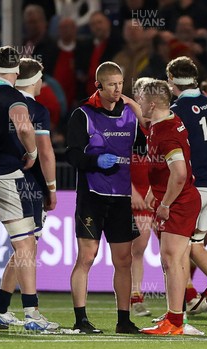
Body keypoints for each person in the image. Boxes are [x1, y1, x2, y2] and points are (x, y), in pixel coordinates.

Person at [0, 46, 57, 331]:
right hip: (7, 175)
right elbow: (23, 127)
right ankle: (32, 312)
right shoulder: (13, 97)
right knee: (25, 244)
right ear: (17, 71)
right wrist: (31, 152)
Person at [65, 61, 144, 334]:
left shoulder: (131, 115)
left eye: (120, 84)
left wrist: (137, 108)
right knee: (86, 257)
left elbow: (146, 147)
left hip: (121, 196)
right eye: (111, 84)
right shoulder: (82, 114)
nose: (117, 89)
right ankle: (81, 320)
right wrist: (96, 160)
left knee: (124, 260)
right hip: (93, 195)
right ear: (98, 85)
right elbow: (72, 155)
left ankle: (124, 320)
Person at [165, 56, 207, 315]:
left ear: (172, 81)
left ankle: (176, 312)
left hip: (192, 189)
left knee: (180, 251)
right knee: (195, 245)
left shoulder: (177, 111)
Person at [138, 79, 202, 335]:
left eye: (142, 98)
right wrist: (155, 189)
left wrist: (165, 203)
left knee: (172, 259)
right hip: (177, 199)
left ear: (152, 103)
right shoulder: (162, 124)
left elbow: (179, 174)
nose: (140, 102)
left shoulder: (164, 133)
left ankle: (175, 321)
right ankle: (175, 315)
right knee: (172, 260)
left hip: (179, 203)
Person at [129, 77, 154, 318]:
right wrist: (132, 191)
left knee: (178, 249)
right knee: (138, 247)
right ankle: (135, 297)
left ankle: (186, 299)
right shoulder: (128, 122)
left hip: (157, 194)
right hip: (137, 195)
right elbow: (118, 158)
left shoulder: (161, 123)